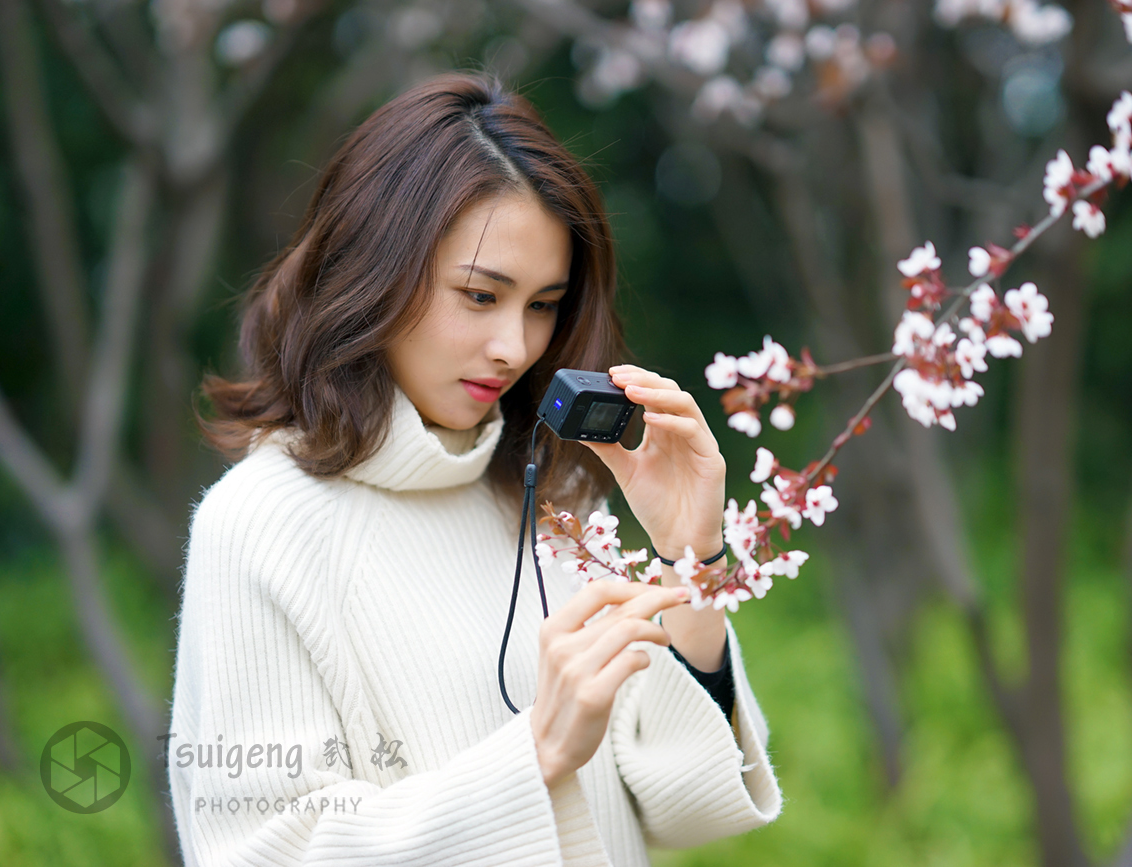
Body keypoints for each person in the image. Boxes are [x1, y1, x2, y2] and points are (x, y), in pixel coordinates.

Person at [168, 70, 782, 867]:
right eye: (481, 295)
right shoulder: (261, 524)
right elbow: (264, 852)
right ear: (372, 271)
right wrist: (533, 755)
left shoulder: (554, 494)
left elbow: (683, 805)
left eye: (541, 304)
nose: (516, 348)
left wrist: (688, 560)